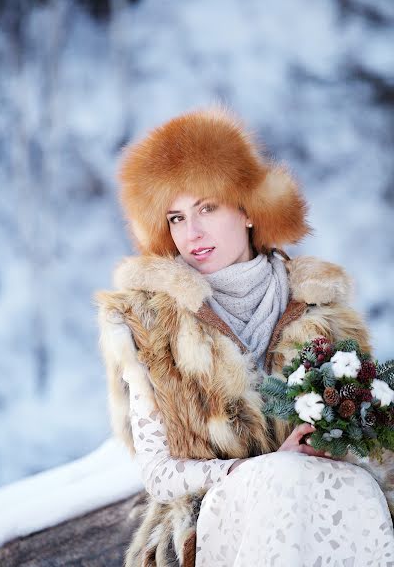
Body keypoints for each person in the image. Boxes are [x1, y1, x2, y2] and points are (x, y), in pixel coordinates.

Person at [96, 107, 394, 566]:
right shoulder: (149, 322)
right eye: (175, 218)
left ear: (248, 210)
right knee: (284, 480)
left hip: (324, 503)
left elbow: (372, 439)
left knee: (354, 490)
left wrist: (335, 445)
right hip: (213, 514)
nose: (191, 233)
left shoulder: (323, 311)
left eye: (206, 208)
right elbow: (158, 473)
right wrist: (261, 466)